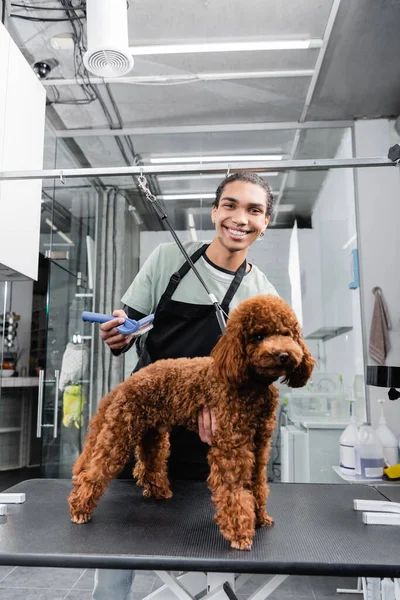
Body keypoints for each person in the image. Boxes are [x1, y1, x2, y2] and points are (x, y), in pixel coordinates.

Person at [92, 171, 279, 599]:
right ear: (215, 211)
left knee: (203, 566)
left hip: (208, 445)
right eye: (230, 205)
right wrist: (116, 333)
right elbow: (128, 329)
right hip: (142, 429)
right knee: (116, 555)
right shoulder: (166, 260)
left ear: (265, 222)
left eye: (254, 210)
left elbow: (258, 372)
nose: (240, 218)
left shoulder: (261, 291)